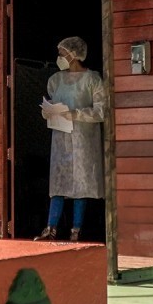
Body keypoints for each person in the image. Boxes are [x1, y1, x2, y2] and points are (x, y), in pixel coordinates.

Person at [37, 36, 107, 242]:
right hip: (61, 138)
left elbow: (101, 111)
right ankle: (51, 228)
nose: (59, 57)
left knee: (81, 183)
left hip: (84, 139)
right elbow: (52, 102)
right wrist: (48, 112)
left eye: (62, 54)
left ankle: (76, 230)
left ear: (74, 55)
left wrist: (76, 114)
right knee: (58, 182)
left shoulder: (92, 79)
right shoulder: (56, 80)